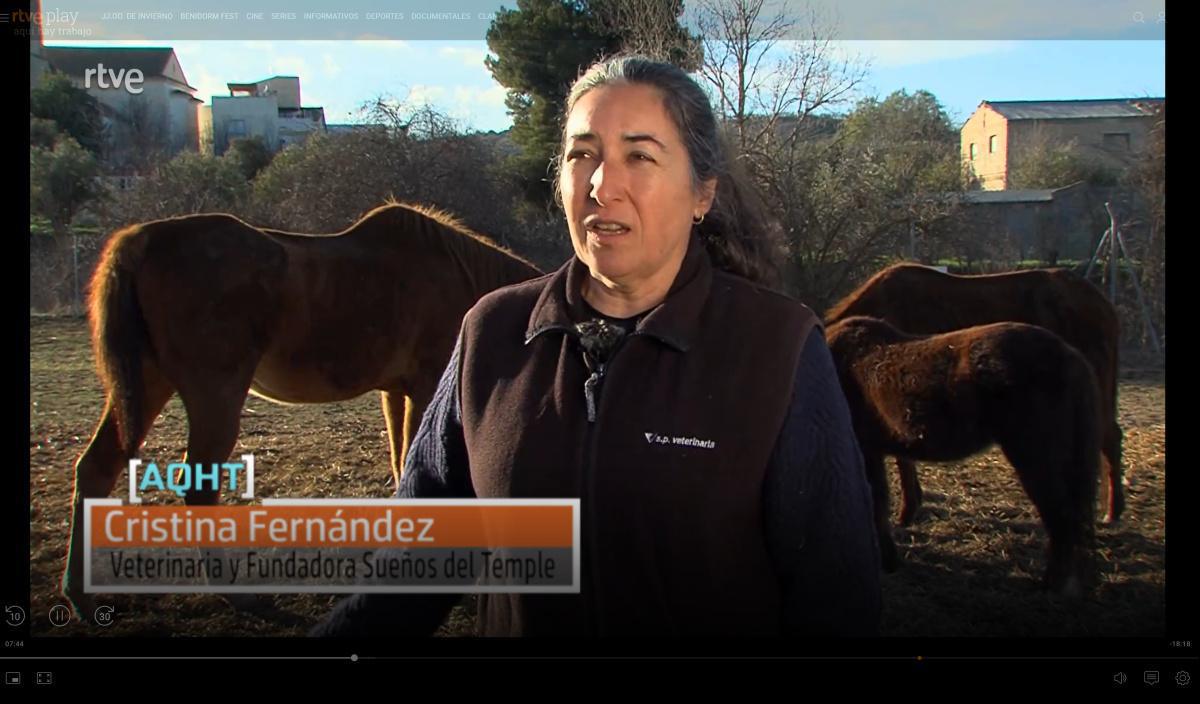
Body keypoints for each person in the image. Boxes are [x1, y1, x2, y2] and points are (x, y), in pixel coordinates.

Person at [311, 55, 881, 637]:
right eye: (581, 155)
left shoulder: (777, 348)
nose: (602, 186)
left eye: (640, 155)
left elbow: (838, 598)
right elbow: (413, 569)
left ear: (701, 194)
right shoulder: (493, 332)